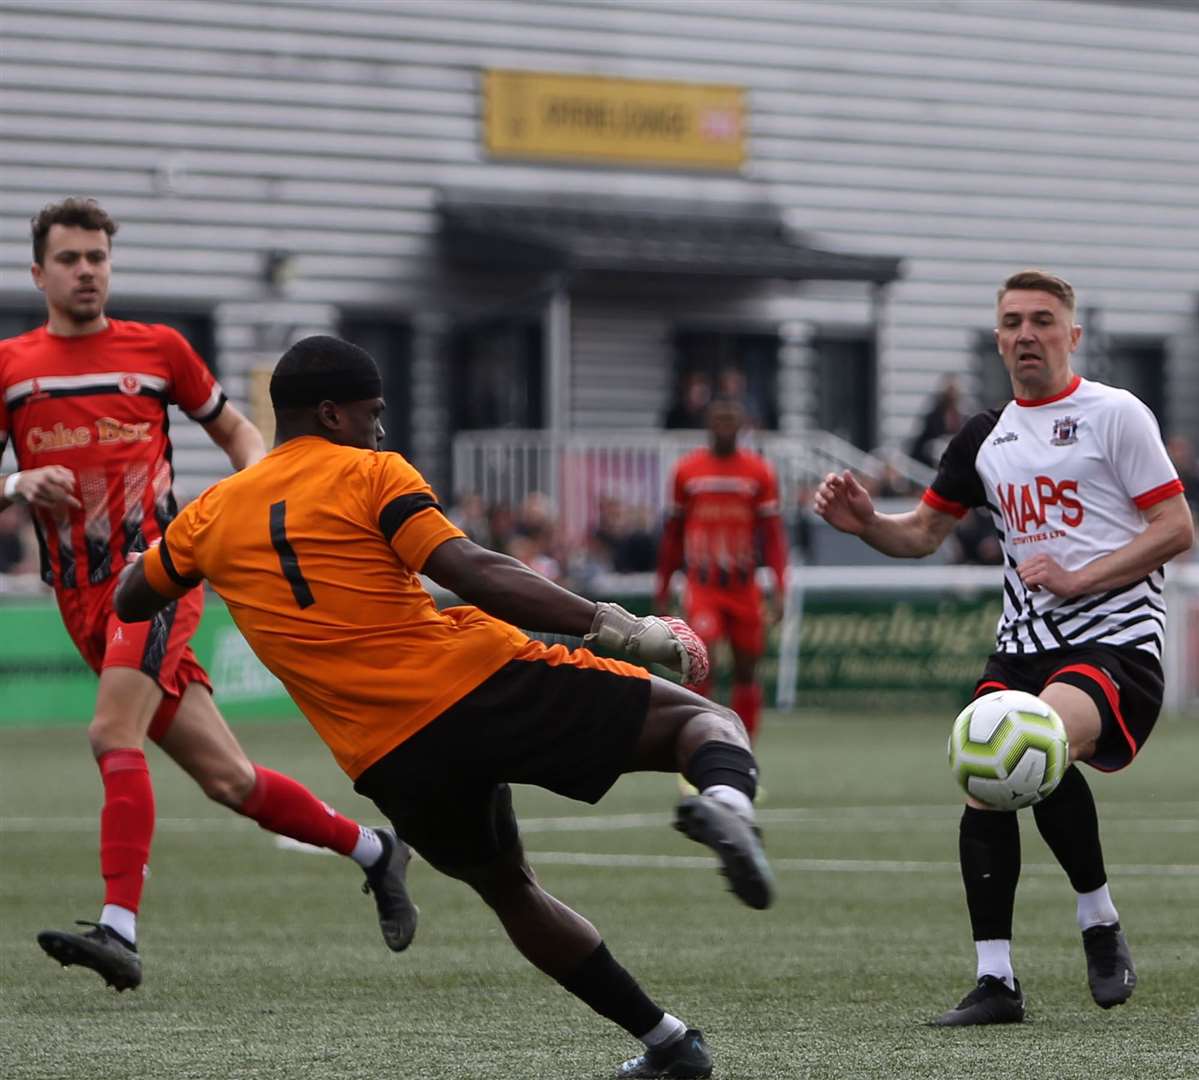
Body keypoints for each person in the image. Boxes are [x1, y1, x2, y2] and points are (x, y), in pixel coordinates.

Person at [114, 335, 773, 1078]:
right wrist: (615, 626)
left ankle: (667, 1044)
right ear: (331, 414)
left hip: (387, 758)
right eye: (373, 412)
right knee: (704, 722)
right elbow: (469, 567)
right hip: (472, 682)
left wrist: (157, 553)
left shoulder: (211, 513)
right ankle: (726, 803)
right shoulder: (369, 472)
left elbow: (133, 598)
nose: (380, 428)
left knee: (512, 891)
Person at [1, 199, 413, 992]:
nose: (86, 270)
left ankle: (119, 928)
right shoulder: (13, 367)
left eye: (97, 257)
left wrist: (252, 496)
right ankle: (376, 850)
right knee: (230, 781)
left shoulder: (159, 349)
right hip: (79, 595)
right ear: (38, 273)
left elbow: (239, 435)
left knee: (109, 731)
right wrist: (18, 481)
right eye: (70, 259)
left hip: (153, 575)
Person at [814, 270, 1193, 1025]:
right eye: (1013, 322)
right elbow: (921, 532)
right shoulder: (982, 436)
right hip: (1021, 647)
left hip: (1115, 639)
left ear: (1071, 335)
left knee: (1033, 743)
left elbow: (1175, 529)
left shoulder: (1114, 414)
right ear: (996, 338)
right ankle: (996, 982)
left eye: (1043, 321)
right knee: (984, 778)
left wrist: (1082, 578)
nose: (1027, 334)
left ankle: (1097, 921)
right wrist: (866, 524)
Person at [655, 397, 788, 741]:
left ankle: (742, 755)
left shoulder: (759, 471)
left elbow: (773, 537)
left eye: (732, 418)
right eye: (719, 418)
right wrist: (663, 587)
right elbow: (672, 537)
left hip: (743, 588)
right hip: (704, 586)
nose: (725, 425)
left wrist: (780, 587)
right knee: (701, 663)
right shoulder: (687, 471)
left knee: (746, 671)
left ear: (742, 423)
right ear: (708, 424)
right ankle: (699, 748)